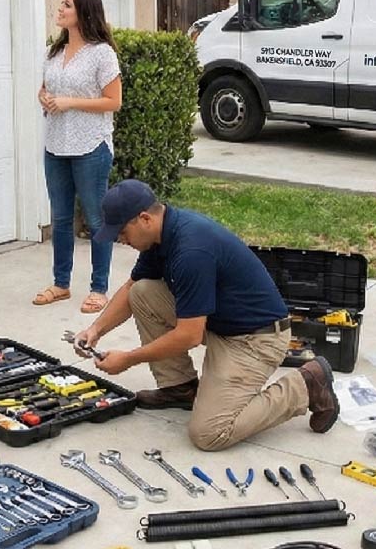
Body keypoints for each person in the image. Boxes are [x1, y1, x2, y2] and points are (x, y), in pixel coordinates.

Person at [72, 179, 339, 452]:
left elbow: (188, 335)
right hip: (220, 323)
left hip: (255, 340)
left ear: (144, 219)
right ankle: (180, 388)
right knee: (142, 292)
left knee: (210, 433)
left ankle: (305, 385)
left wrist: (129, 359)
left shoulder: (190, 251)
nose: (120, 239)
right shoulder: (160, 237)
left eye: (122, 232)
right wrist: (95, 330)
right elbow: (131, 288)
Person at [34, 0, 123, 314]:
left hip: (91, 146)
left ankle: (99, 289)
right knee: (60, 219)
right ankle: (61, 284)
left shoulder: (102, 54)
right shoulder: (54, 51)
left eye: (67, 5)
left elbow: (114, 101)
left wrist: (70, 102)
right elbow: (45, 88)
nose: (60, 9)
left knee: (96, 219)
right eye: (61, 3)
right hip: (55, 145)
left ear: (84, 12)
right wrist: (44, 98)